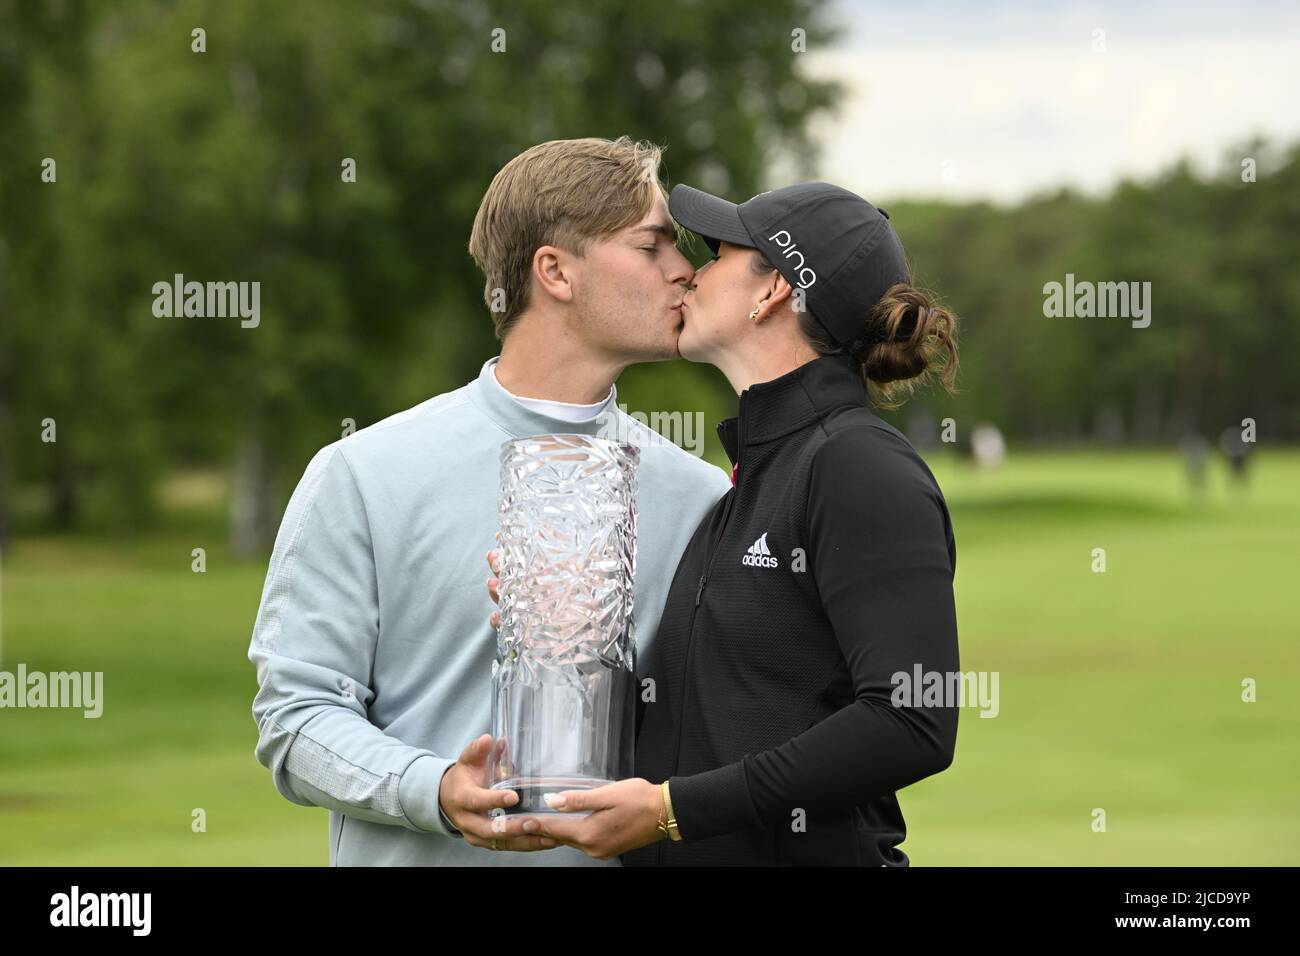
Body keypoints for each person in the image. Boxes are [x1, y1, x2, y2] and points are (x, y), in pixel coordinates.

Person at [246, 137, 732, 866]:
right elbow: (295, 718)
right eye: (651, 245)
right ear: (556, 271)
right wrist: (435, 788)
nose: (684, 271)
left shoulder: (699, 496)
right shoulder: (363, 473)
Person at [489, 181, 962, 865]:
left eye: (718, 254)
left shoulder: (858, 465)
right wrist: (567, 627)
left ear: (772, 290)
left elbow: (912, 720)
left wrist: (671, 812)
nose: (690, 272)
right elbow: (713, 722)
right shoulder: (750, 480)